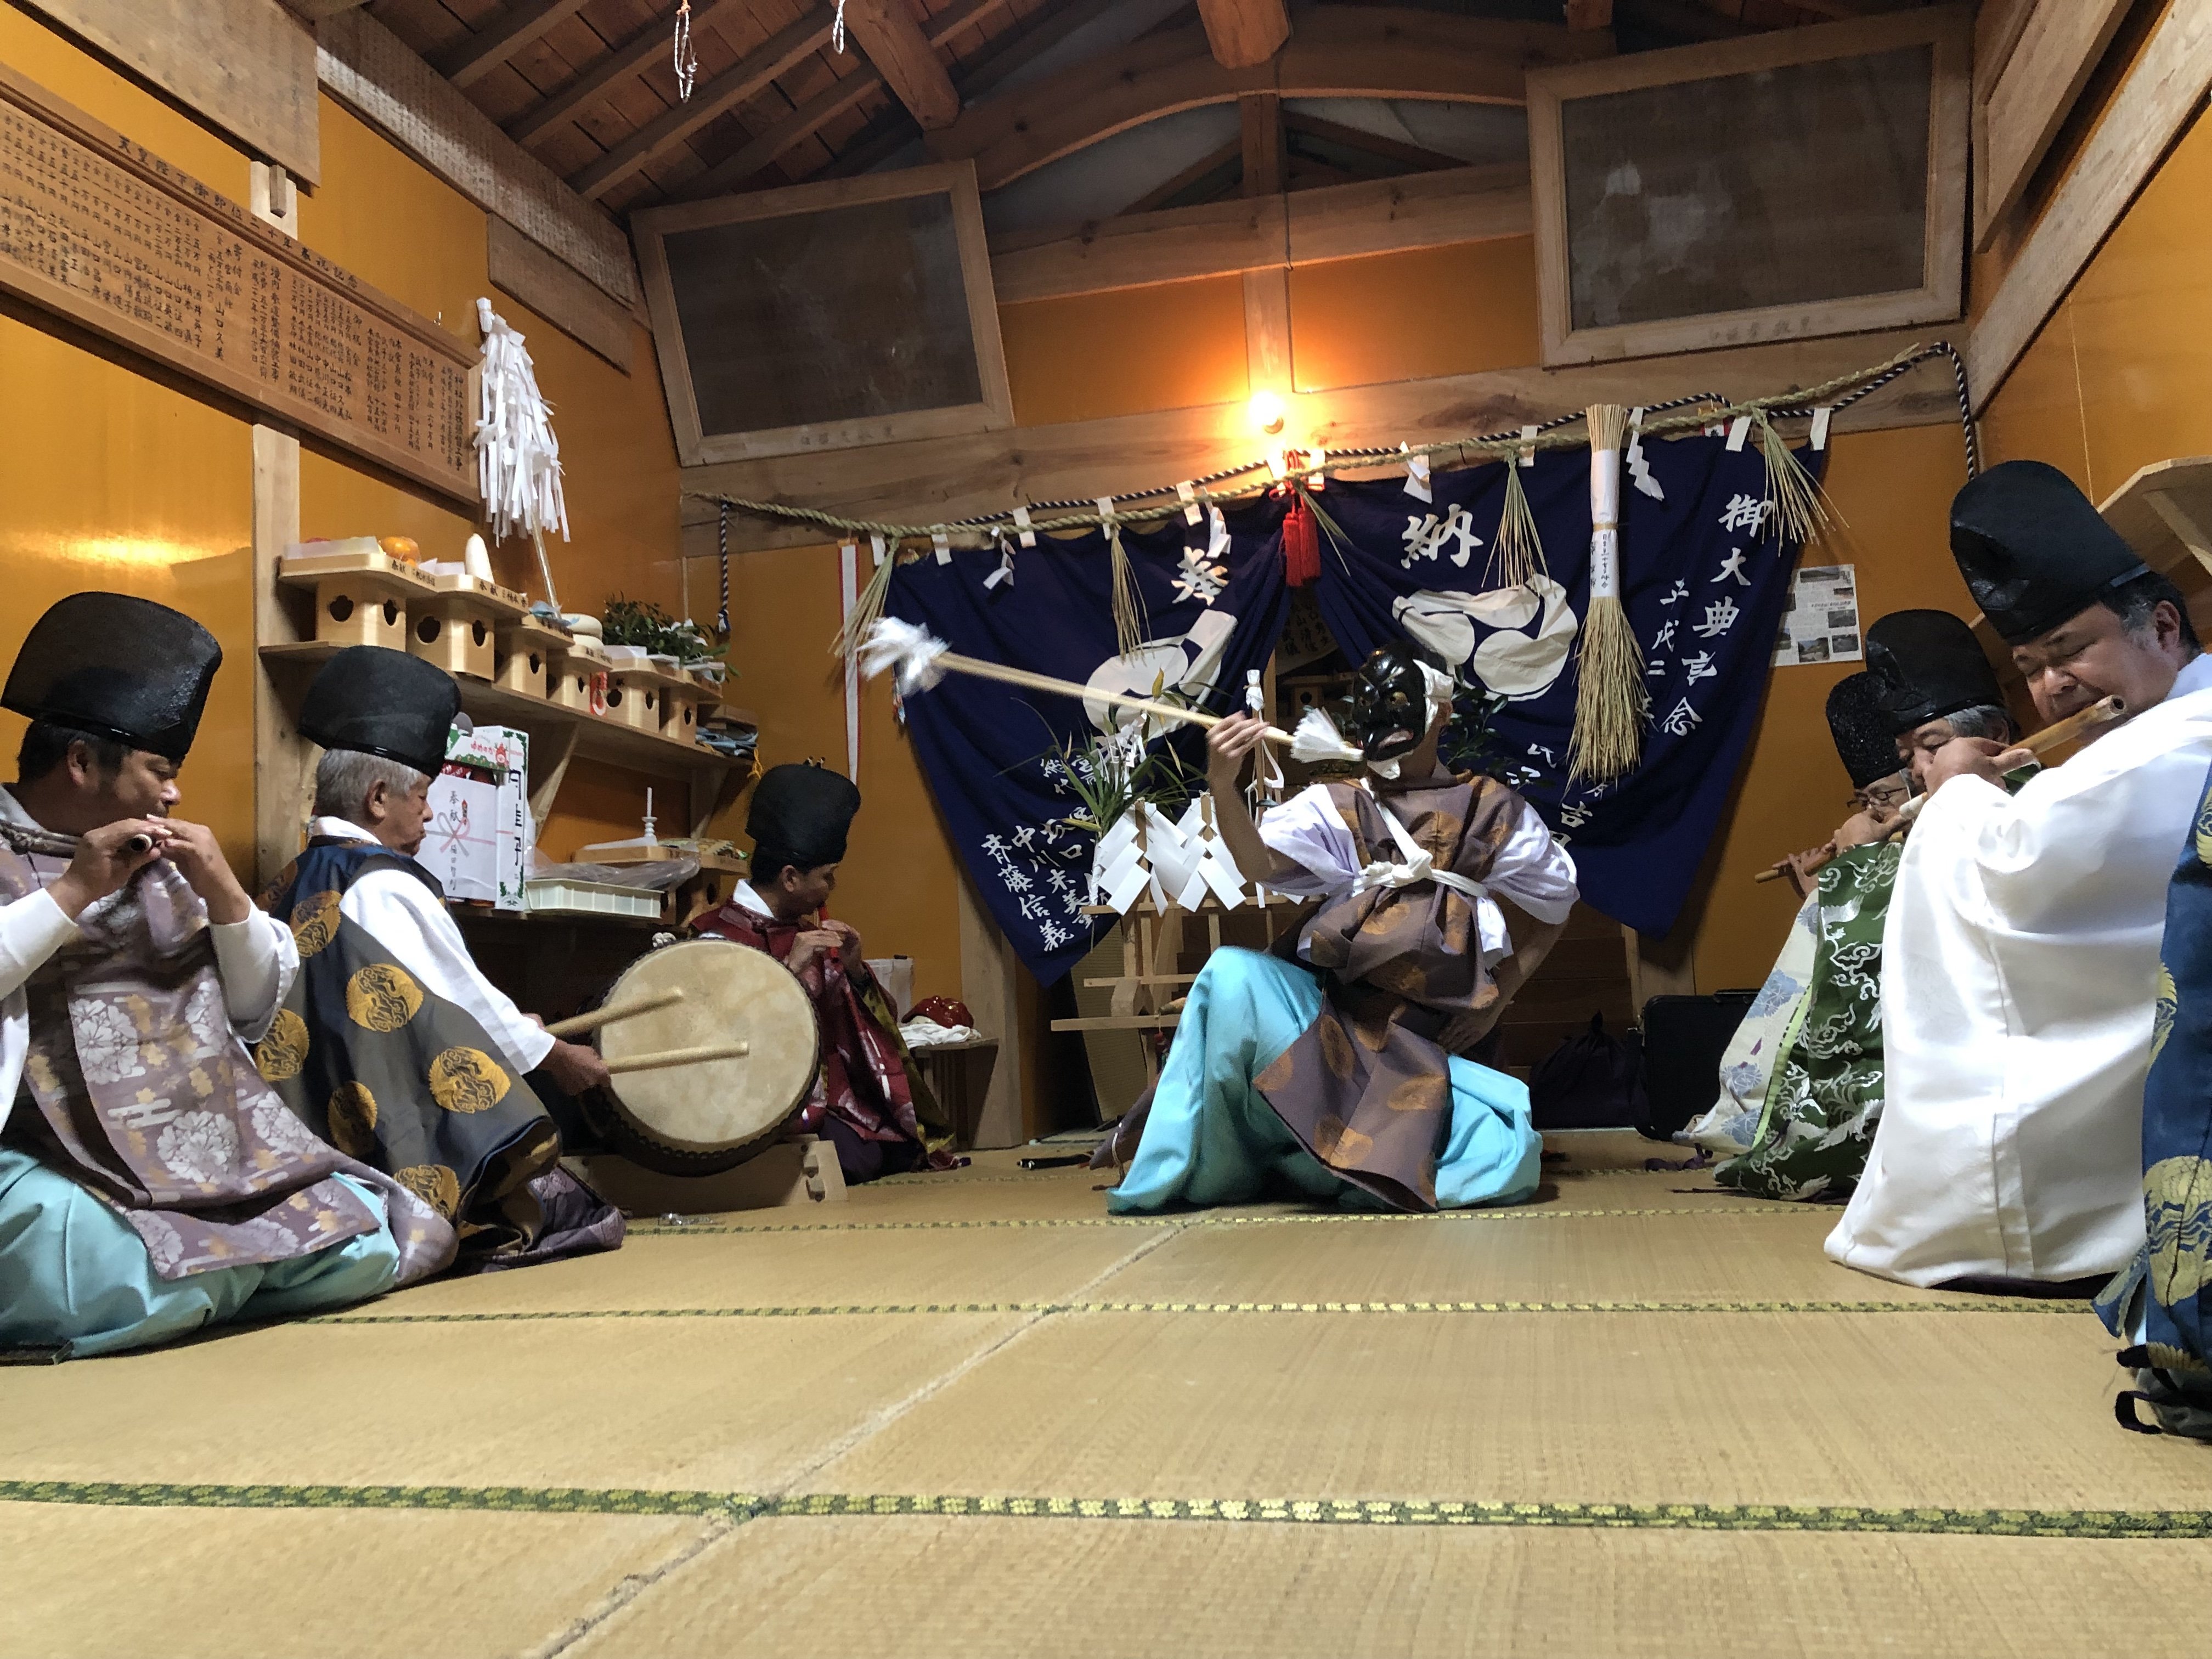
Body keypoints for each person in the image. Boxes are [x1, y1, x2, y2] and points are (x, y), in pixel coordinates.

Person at [0, 596, 453, 1359]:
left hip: (205, 1154)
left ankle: (222, 1279)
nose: (173, 794)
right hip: (44, 1157)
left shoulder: (158, 858)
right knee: (123, 1266)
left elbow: (250, 1013)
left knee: (368, 1232)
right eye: (160, 772)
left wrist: (225, 896)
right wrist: (72, 894)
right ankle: (224, 1278)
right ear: (82, 764)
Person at [1827, 459, 2212, 1288]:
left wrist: (1961, 793)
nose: (2053, 687)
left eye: (2072, 651)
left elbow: (2017, 870)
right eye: (2033, 667)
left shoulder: (2185, 735)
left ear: (2166, 629)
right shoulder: (2137, 739)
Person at [1101, 644, 1575, 1214]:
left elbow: (1555, 909)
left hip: (1422, 1049)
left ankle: (1326, 1163)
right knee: (1230, 974)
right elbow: (1259, 864)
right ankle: (1228, 1163)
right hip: (1331, 1025)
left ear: (1440, 716)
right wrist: (1224, 787)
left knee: (1505, 1161)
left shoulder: (1489, 811)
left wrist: (1499, 1003)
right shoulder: (1342, 805)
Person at [258, 645, 622, 1265]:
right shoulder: (385, 882)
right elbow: (461, 999)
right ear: (378, 798)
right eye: (422, 795)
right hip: (385, 1131)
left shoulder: (288, 880)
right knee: (579, 1209)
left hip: (303, 1122)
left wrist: (521, 1032)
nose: (430, 813)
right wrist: (557, 1055)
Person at [1713, 618, 2017, 1198]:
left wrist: (1852, 868)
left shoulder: (2015, 803)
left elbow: (1886, 948)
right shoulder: (1939, 812)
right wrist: (1824, 893)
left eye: (1930, 749)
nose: (1923, 772)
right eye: (1911, 759)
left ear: (1997, 734)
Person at [691, 761, 960, 1184]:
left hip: (830, 1095)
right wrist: (788, 975)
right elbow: (715, 1039)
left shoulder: (803, 933)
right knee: (856, 1159)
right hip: (753, 1102)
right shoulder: (713, 939)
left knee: (896, 1146)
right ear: (791, 878)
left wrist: (854, 972)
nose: (831, 890)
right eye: (827, 878)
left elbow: (862, 1032)